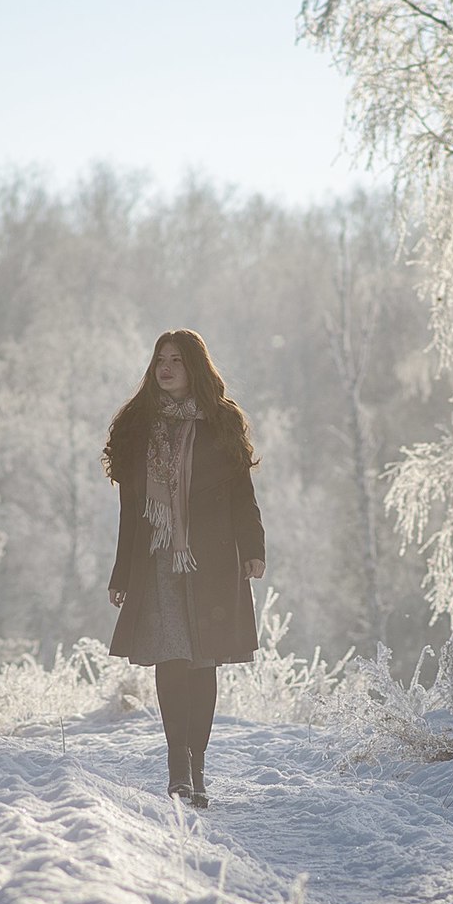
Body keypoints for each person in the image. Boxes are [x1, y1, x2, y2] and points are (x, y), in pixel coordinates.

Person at [103, 329, 265, 808]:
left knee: (202, 662)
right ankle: (178, 765)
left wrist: (254, 547)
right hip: (157, 561)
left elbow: (242, 494)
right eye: (160, 359)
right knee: (172, 658)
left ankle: (197, 764)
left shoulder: (222, 422)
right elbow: (131, 511)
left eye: (176, 359)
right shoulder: (138, 428)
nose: (166, 367)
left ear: (195, 366)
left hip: (212, 559)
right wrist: (119, 574)